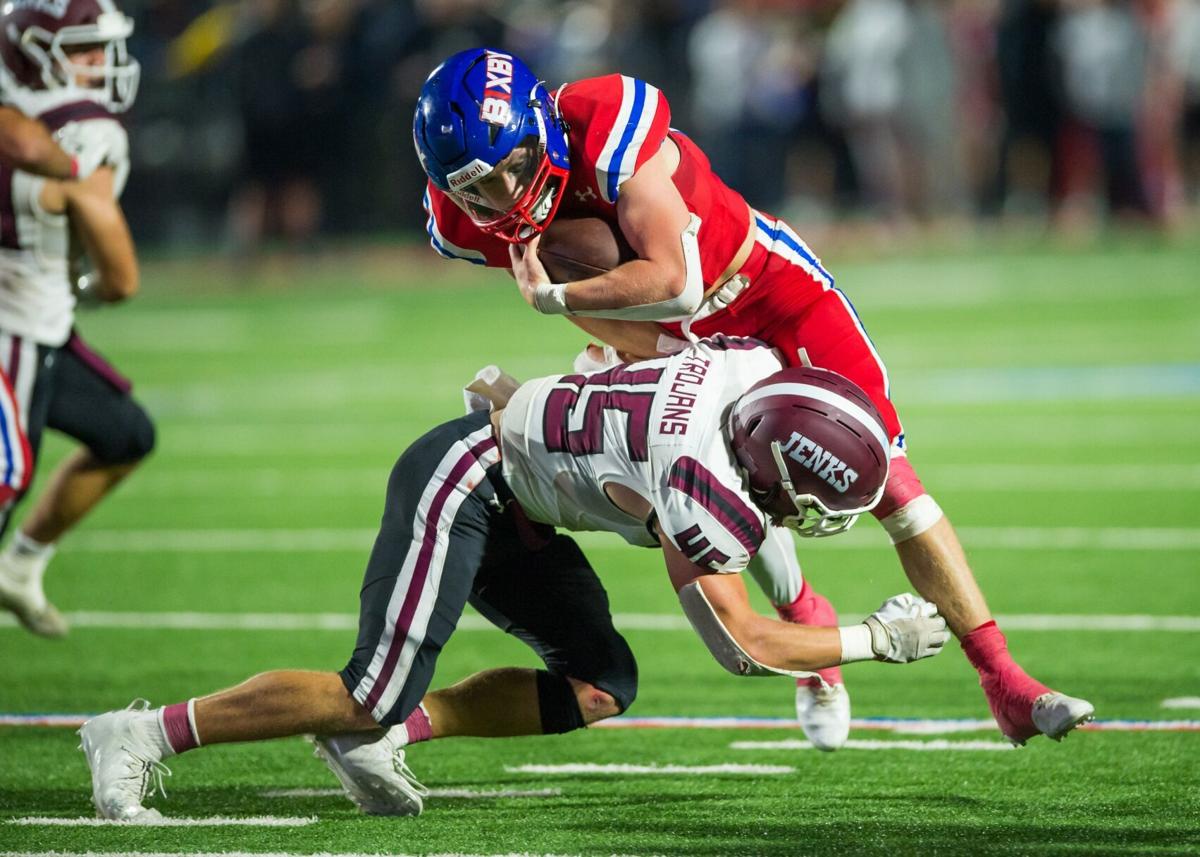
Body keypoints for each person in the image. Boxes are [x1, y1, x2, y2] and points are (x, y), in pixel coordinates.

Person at [412, 47, 1096, 748]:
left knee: (891, 477)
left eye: (514, 166)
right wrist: (636, 350)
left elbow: (676, 279)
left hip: (764, 294)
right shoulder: (465, 222)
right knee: (710, 487)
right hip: (659, 335)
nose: (507, 194)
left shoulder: (604, 117)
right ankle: (801, 610)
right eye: (481, 188)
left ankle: (1002, 678)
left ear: (541, 124)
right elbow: (628, 304)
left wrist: (554, 297)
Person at [80, 339, 956, 821]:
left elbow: (630, 348)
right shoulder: (703, 482)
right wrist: (874, 640)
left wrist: (547, 393)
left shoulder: (749, 369)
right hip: (470, 481)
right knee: (365, 689)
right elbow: (740, 645)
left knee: (601, 684)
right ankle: (142, 734)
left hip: (527, 493)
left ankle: (388, 740)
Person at [0, 0, 154, 638]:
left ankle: (19, 568)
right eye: (86, 49)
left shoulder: (27, 108)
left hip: (42, 324)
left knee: (124, 434)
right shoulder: (87, 129)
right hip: (13, 329)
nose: (103, 63)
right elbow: (119, 278)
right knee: (6, 478)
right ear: (37, 52)